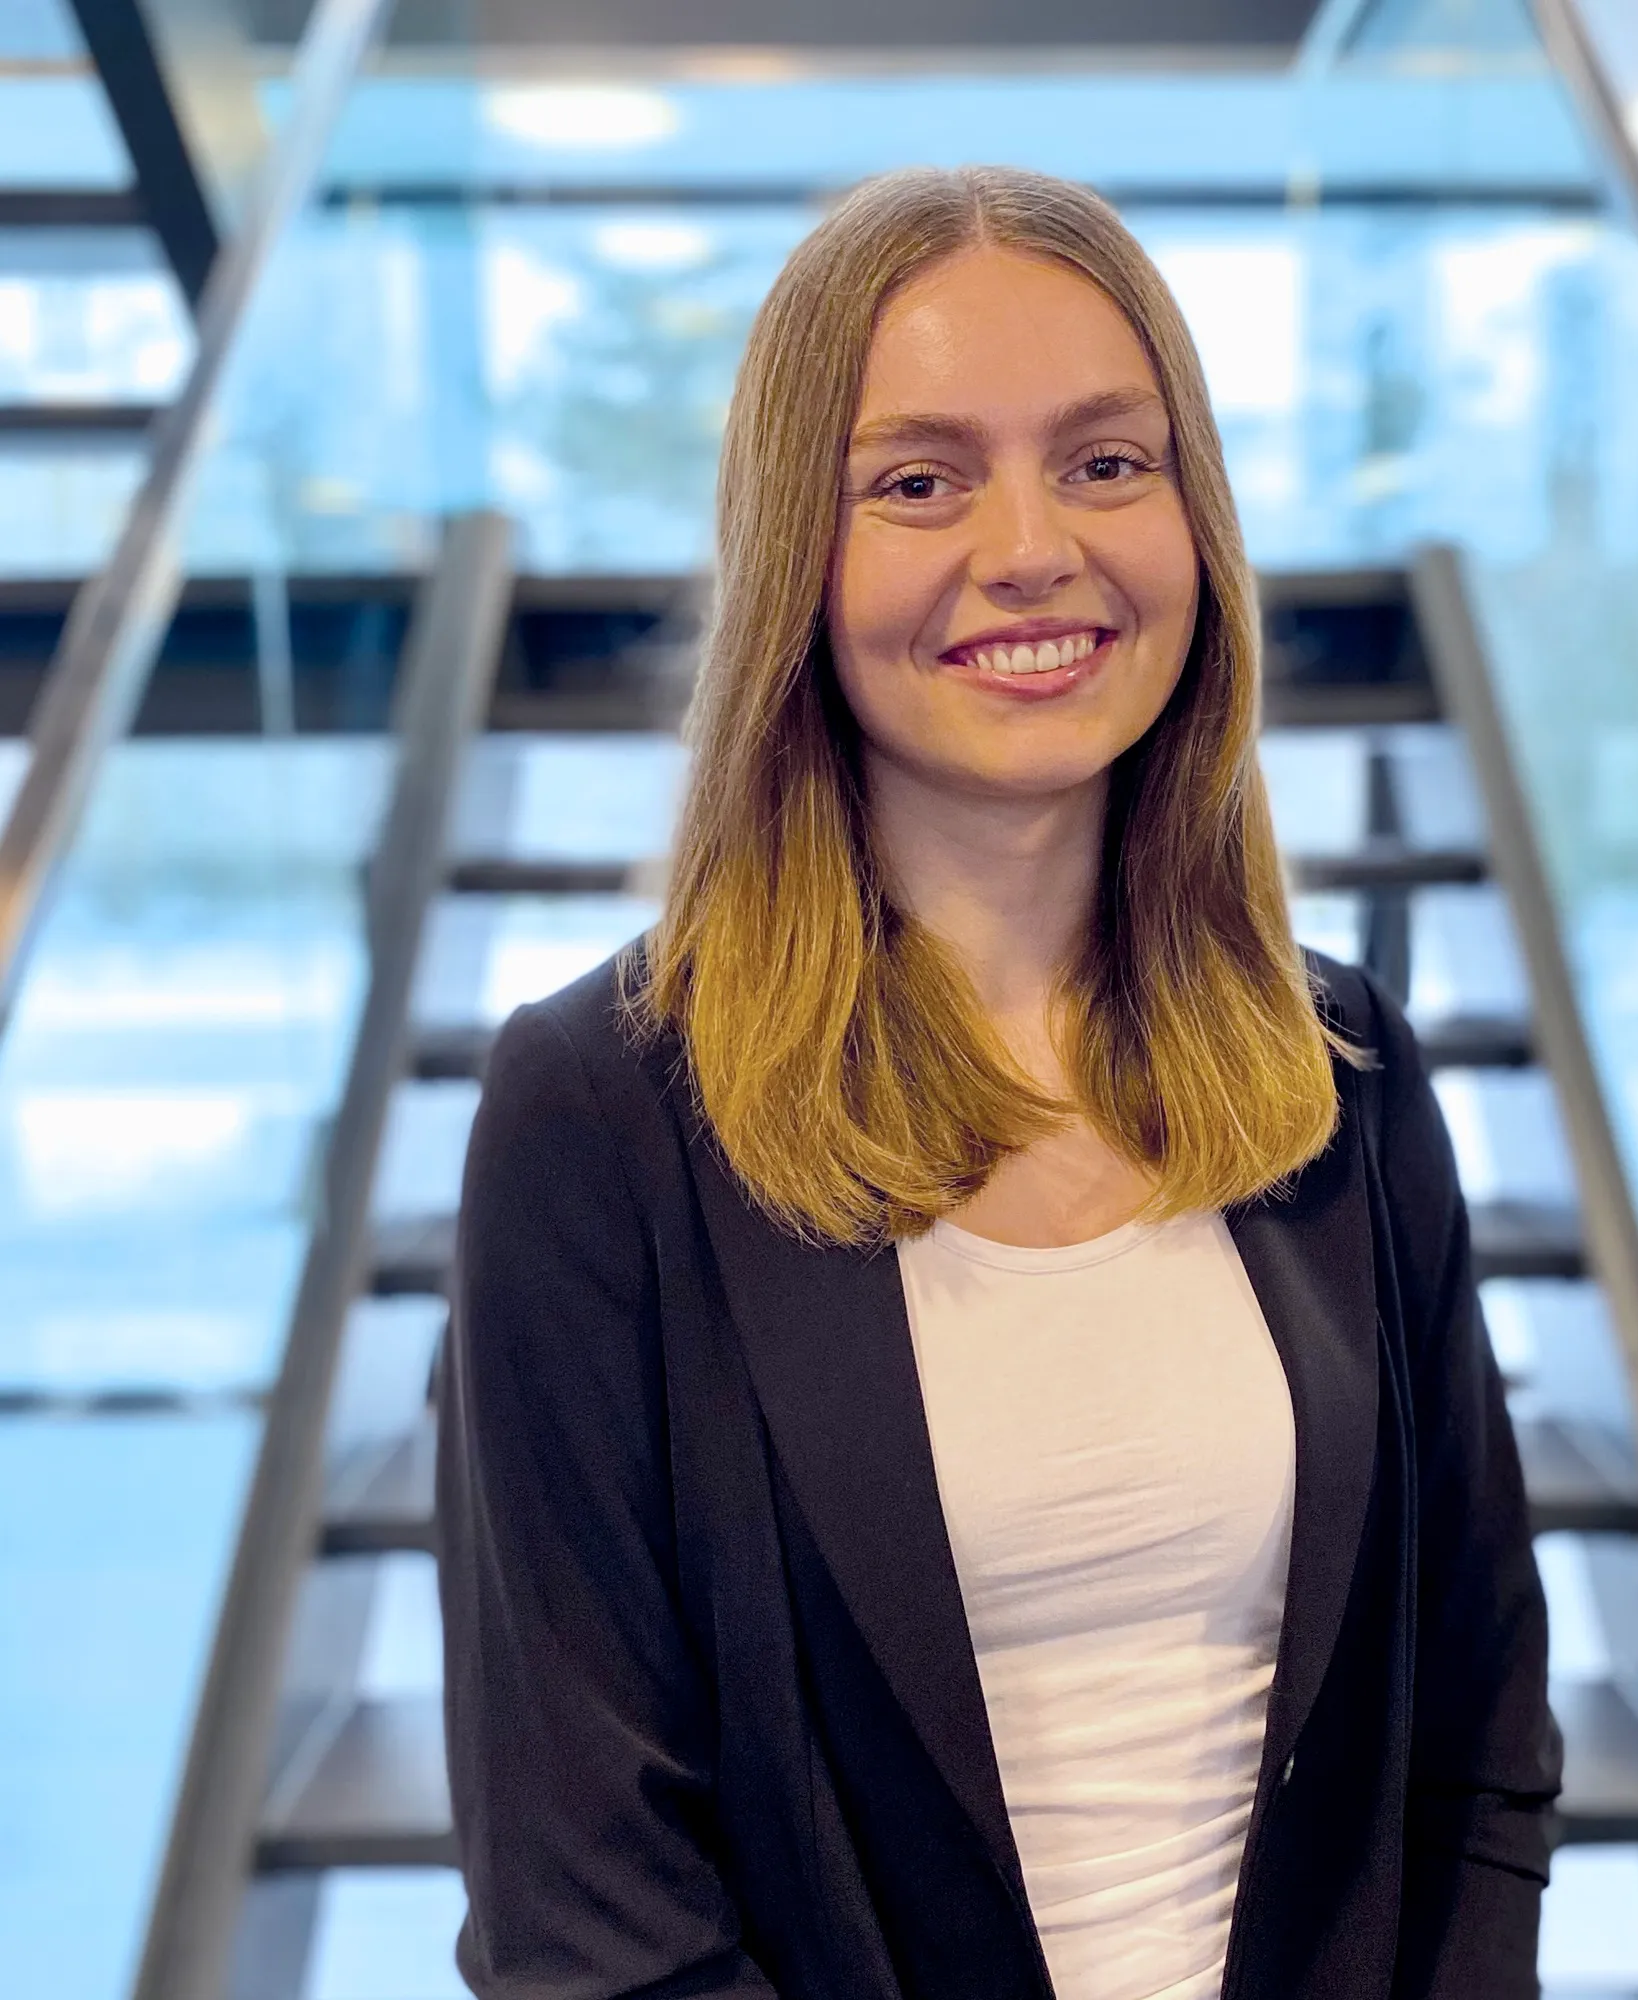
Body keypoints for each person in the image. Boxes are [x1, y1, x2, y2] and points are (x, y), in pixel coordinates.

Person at [437, 164, 1560, 2000]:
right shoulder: (600, 1113)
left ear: (1196, 521)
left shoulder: (1335, 1066)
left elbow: (1478, 1745)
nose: (1032, 546)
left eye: (1109, 462)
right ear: (799, 550)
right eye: (918, 481)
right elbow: (588, 1912)